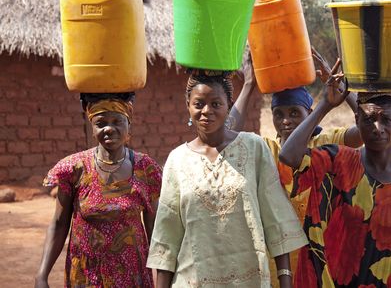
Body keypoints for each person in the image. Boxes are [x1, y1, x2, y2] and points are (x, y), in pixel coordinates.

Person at [279, 73, 391, 287]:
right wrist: (325, 104)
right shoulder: (340, 162)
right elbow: (288, 155)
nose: (378, 128)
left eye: (387, 119)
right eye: (369, 119)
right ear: (357, 120)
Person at [146, 70, 308, 287]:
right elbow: (166, 238)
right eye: (199, 103)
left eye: (215, 104)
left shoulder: (253, 147)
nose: (206, 111)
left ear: (229, 105)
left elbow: (276, 220)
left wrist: (285, 280)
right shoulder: (177, 160)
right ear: (188, 106)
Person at [229, 50, 363, 286]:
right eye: (278, 114)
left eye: (294, 113)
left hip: (322, 256)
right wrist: (249, 84)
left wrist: (343, 92)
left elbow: (364, 131)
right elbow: (227, 135)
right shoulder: (266, 149)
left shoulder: (325, 144)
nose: (286, 121)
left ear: (309, 114)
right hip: (278, 261)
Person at [35, 93, 162, 288]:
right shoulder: (73, 168)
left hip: (131, 277)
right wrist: (41, 275)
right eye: (101, 123)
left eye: (117, 121)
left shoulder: (146, 168)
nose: (109, 129)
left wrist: (164, 279)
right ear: (92, 128)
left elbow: (155, 229)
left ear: (129, 125)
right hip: (86, 277)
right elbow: (59, 224)